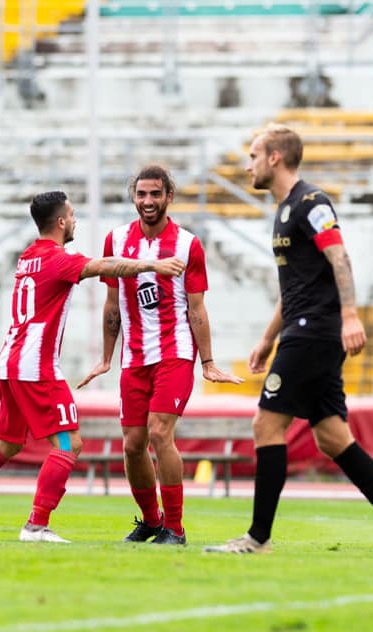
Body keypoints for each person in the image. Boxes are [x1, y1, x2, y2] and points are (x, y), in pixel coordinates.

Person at [204, 125, 373, 557]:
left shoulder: (311, 202)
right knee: (332, 437)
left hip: (314, 332)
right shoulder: (284, 210)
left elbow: (339, 255)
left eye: (253, 155)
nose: (246, 164)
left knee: (266, 424)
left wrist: (349, 315)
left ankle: (257, 538)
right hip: (302, 329)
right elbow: (295, 288)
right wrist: (268, 338)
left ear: (275, 158)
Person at [0, 191, 185, 542]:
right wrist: (150, 264)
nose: (76, 220)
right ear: (62, 222)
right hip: (37, 367)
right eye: (73, 214)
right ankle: (36, 525)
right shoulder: (57, 259)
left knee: (7, 442)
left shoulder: (27, 257)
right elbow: (103, 267)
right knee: (68, 444)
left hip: (10, 363)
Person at [78, 164, 243, 546]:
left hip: (175, 353)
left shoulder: (188, 244)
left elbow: (196, 308)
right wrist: (107, 357)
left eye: (155, 194)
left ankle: (176, 527)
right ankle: (152, 522)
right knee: (132, 444)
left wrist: (208, 362)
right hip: (134, 358)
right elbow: (112, 304)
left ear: (170, 196)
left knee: (158, 432)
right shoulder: (116, 240)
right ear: (133, 197)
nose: (148, 201)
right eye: (141, 194)